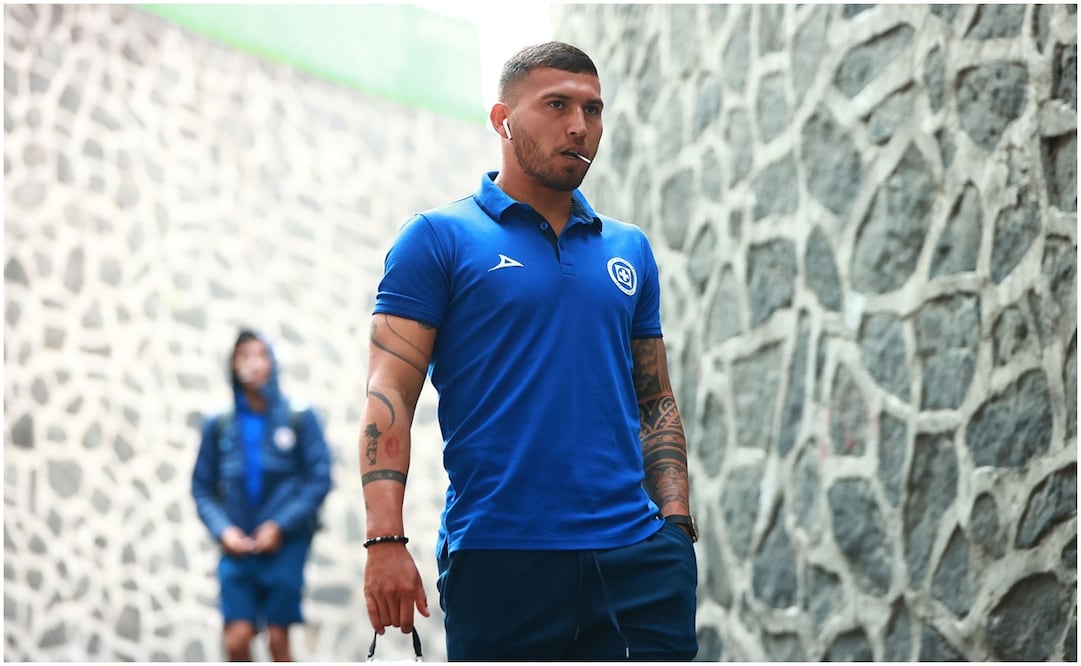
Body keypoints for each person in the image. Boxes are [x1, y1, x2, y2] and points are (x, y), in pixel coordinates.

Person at [359, 41, 698, 661]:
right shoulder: (436, 239)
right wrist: (385, 540)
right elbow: (390, 395)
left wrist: (675, 528)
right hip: (500, 559)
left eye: (594, 111)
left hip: (639, 561)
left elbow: (654, 397)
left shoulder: (631, 249)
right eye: (557, 105)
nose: (580, 127)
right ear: (503, 119)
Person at [192, 329, 332, 661]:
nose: (252, 363)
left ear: (272, 362)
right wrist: (223, 530)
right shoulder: (220, 424)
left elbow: (319, 480)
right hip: (237, 546)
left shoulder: (299, 417)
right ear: (233, 366)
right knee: (237, 641)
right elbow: (202, 487)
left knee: (278, 640)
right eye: (243, 356)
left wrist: (279, 526)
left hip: (284, 545)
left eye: (259, 355)